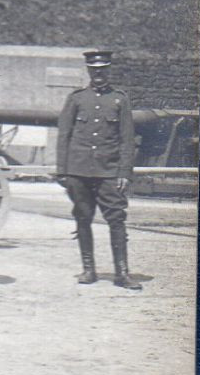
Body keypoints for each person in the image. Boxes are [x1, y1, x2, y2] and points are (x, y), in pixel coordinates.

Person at [57, 49, 141, 290]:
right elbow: (64, 135)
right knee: (82, 218)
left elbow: (127, 139)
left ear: (109, 70)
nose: (99, 74)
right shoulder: (76, 98)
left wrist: (124, 172)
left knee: (117, 219)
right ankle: (88, 270)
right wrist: (62, 171)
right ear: (88, 71)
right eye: (94, 70)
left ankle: (122, 273)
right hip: (79, 171)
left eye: (103, 70)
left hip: (109, 171)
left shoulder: (120, 99)